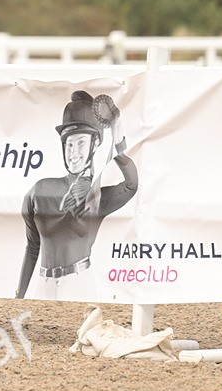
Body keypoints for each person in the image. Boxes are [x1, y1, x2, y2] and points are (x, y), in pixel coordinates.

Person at [15, 90, 138, 300]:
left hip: (78, 284)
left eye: (80, 142)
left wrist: (117, 137)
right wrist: (19, 295)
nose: (73, 152)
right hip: (44, 285)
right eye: (69, 144)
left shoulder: (97, 196)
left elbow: (131, 185)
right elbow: (33, 246)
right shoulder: (39, 190)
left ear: (95, 144)